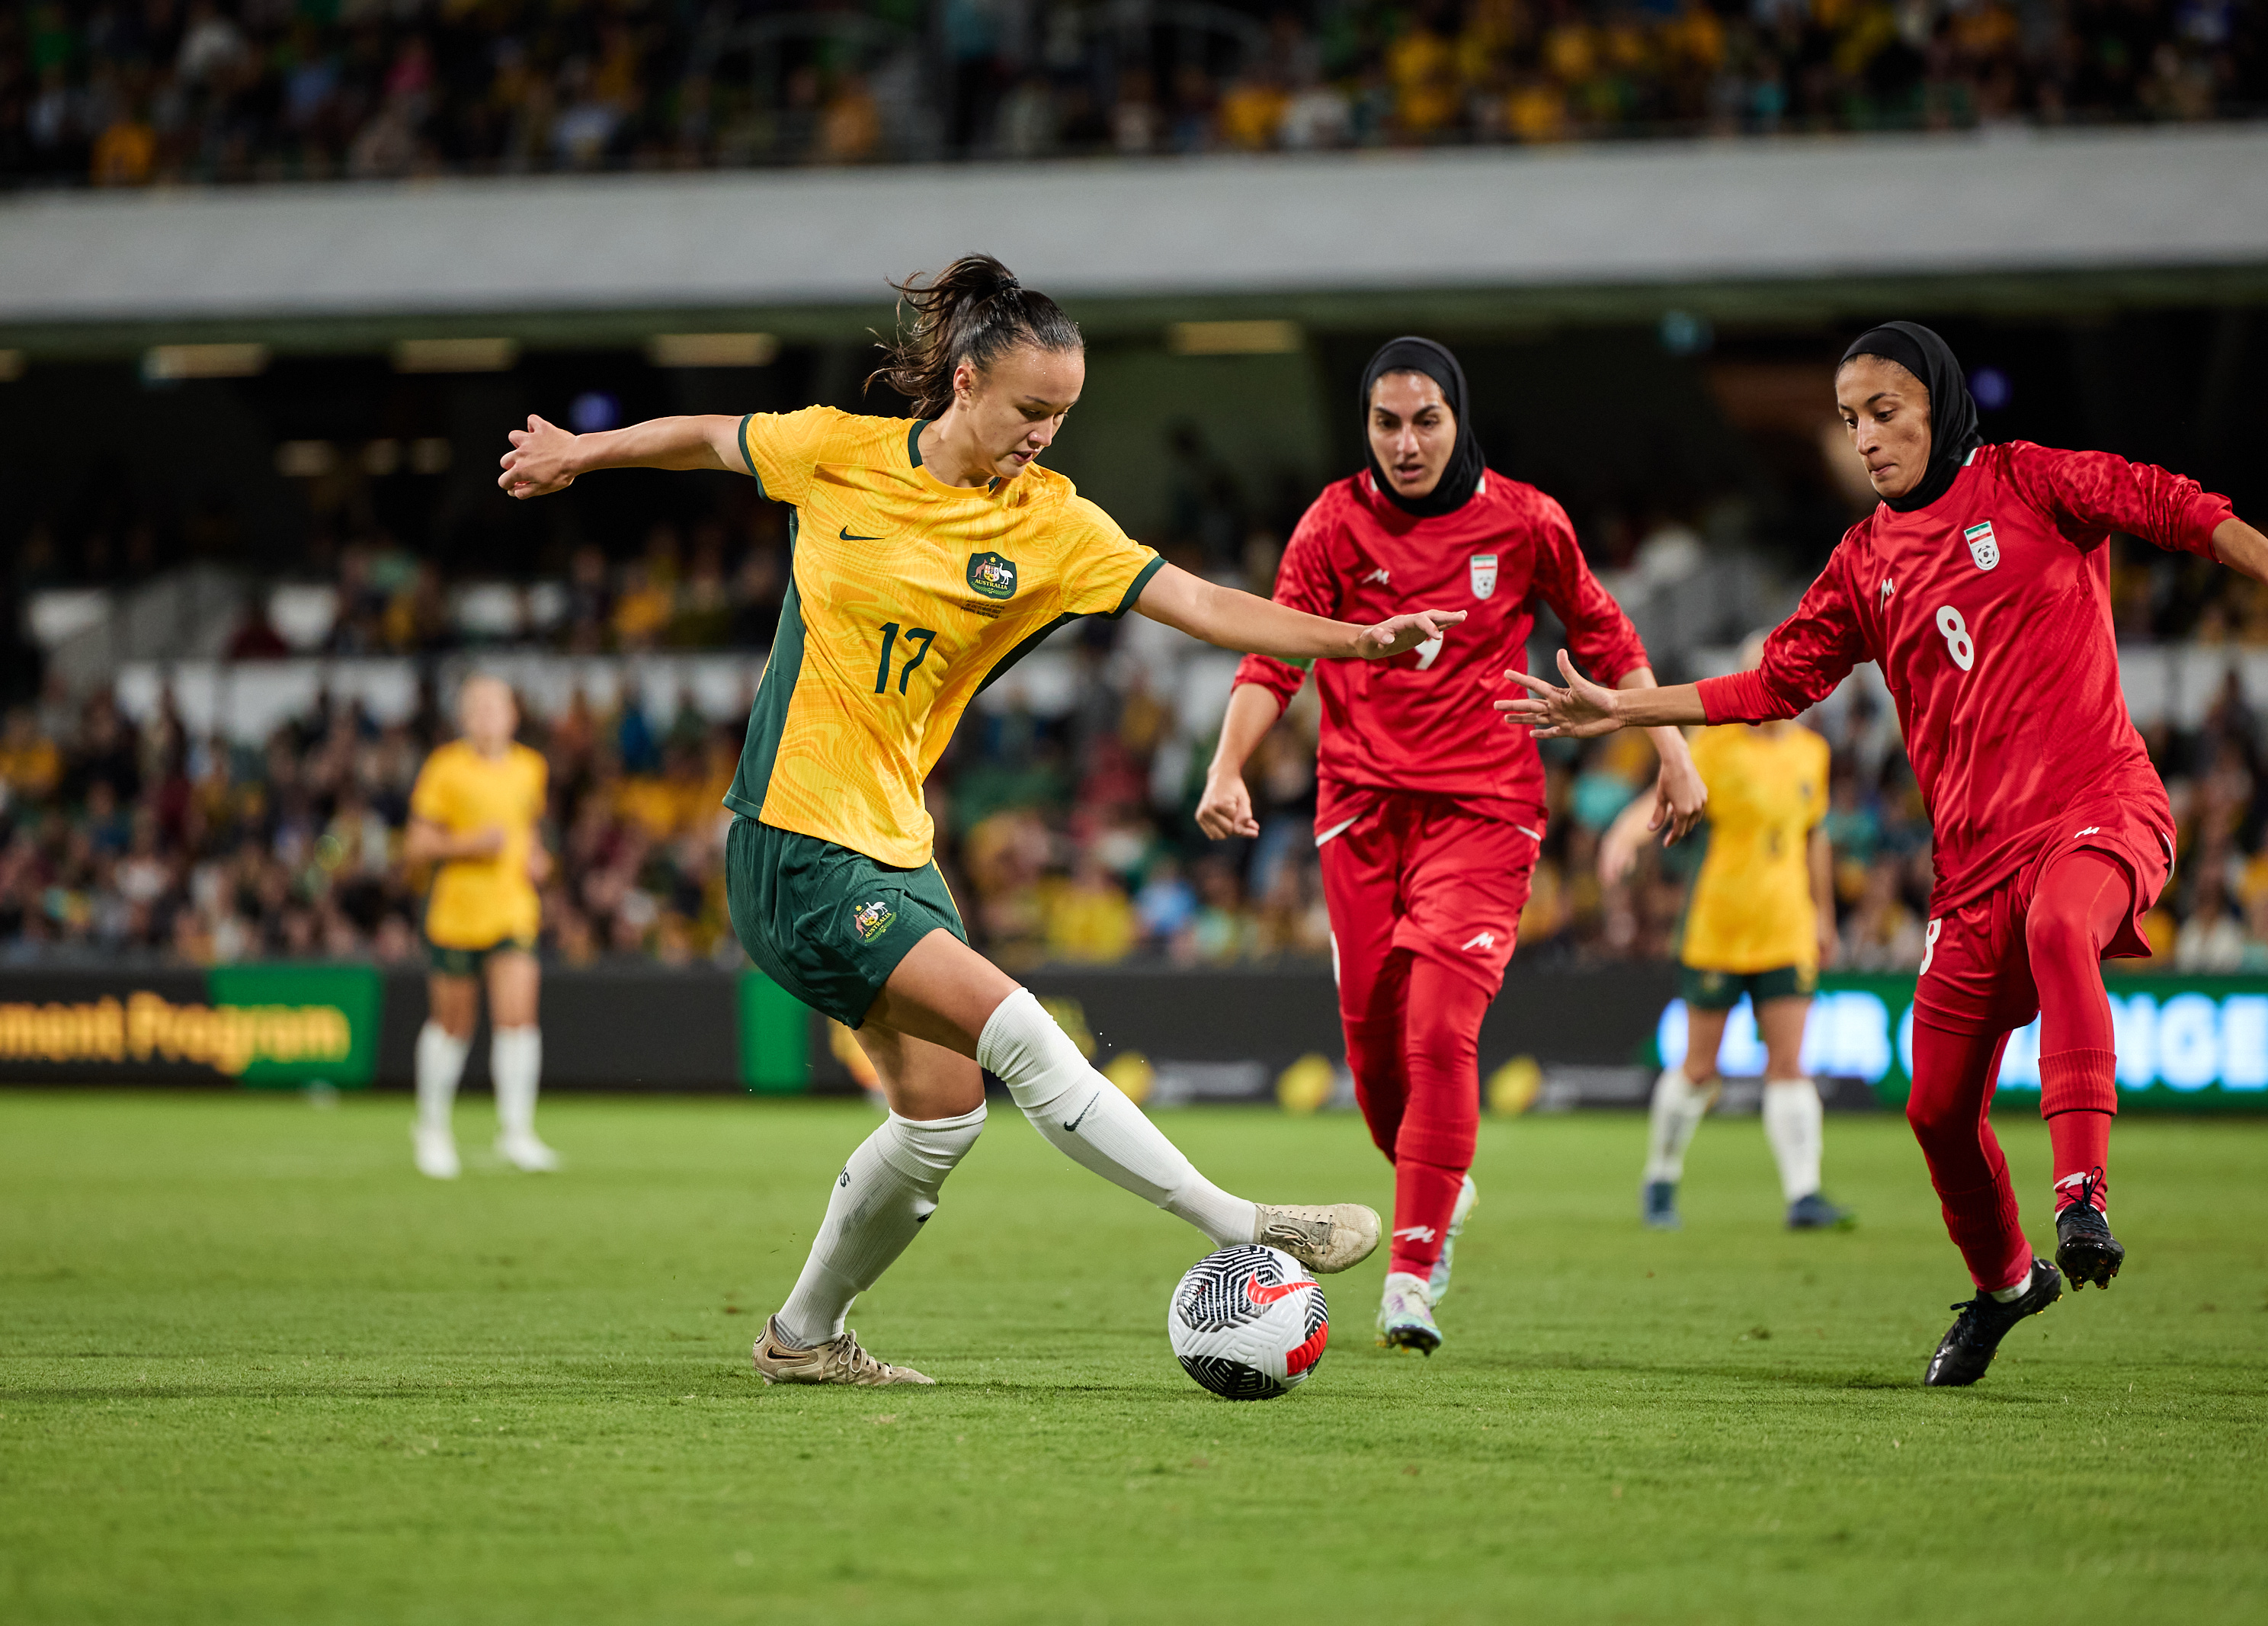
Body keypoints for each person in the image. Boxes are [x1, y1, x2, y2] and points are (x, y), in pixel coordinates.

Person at [497, 253, 1462, 1387]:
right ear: (963, 383)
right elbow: (713, 435)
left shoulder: (1052, 527)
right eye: (1031, 409)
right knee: (1018, 1029)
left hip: (898, 847)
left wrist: (1352, 640)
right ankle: (1241, 1222)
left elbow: (1200, 603)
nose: (1046, 434)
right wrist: (580, 452)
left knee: (944, 1116)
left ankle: (802, 1340)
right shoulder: (838, 454)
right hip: (795, 841)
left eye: (1064, 414)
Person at [1499, 320, 2268, 1387]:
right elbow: (1776, 680)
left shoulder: (2033, 482)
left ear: (1940, 405)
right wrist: (1623, 709)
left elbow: (2180, 506)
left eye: (1885, 412)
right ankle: (2009, 1285)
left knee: (2065, 926)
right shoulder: (1865, 562)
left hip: (2099, 805)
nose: (1867, 438)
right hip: (1972, 873)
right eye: (1850, 420)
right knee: (1935, 1112)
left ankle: (2082, 1198)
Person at [1197, 337, 1703, 1355]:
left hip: (1486, 811)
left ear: (1458, 419)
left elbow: (1604, 637)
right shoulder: (1333, 524)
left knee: (1439, 1029)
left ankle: (1412, 1277)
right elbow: (1273, 653)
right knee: (1378, 1060)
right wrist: (1227, 764)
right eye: (1387, 422)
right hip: (1358, 815)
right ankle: (1438, 1182)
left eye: (1426, 419)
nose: (1407, 441)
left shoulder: (1524, 519)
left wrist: (1674, 756)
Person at [1599, 635, 1847, 1233]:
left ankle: (1804, 1193)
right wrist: (1625, 835)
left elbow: (1815, 838)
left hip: (1786, 925)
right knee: (1699, 1066)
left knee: (1789, 1065)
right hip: (1719, 926)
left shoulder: (1813, 752)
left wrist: (1824, 915)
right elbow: (1658, 794)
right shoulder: (1715, 745)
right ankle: (1660, 1179)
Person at [402, 675, 556, 1179]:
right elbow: (416, 845)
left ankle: (517, 1132)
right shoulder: (444, 768)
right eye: (479, 706)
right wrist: (469, 845)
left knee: (518, 1020)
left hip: (512, 908)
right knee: (453, 1025)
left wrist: (537, 859)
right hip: (456, 913)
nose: (489, 715)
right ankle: (433, 1128)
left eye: (498, 705)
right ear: (465, 717)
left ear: (513, 714)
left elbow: (528, 832)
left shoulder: (531, 768)